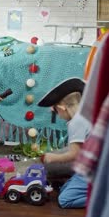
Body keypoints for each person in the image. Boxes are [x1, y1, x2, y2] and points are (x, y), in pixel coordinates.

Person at [38, 77, 89, 209]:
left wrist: (53, 158)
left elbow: (75, 154)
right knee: (64, 188)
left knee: (64, 200)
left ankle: (103, 197)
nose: (58, 115)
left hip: (93, 169)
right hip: (91, 164)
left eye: (56, 111)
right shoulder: (85, 116)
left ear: (62, 108)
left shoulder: (76, 122)